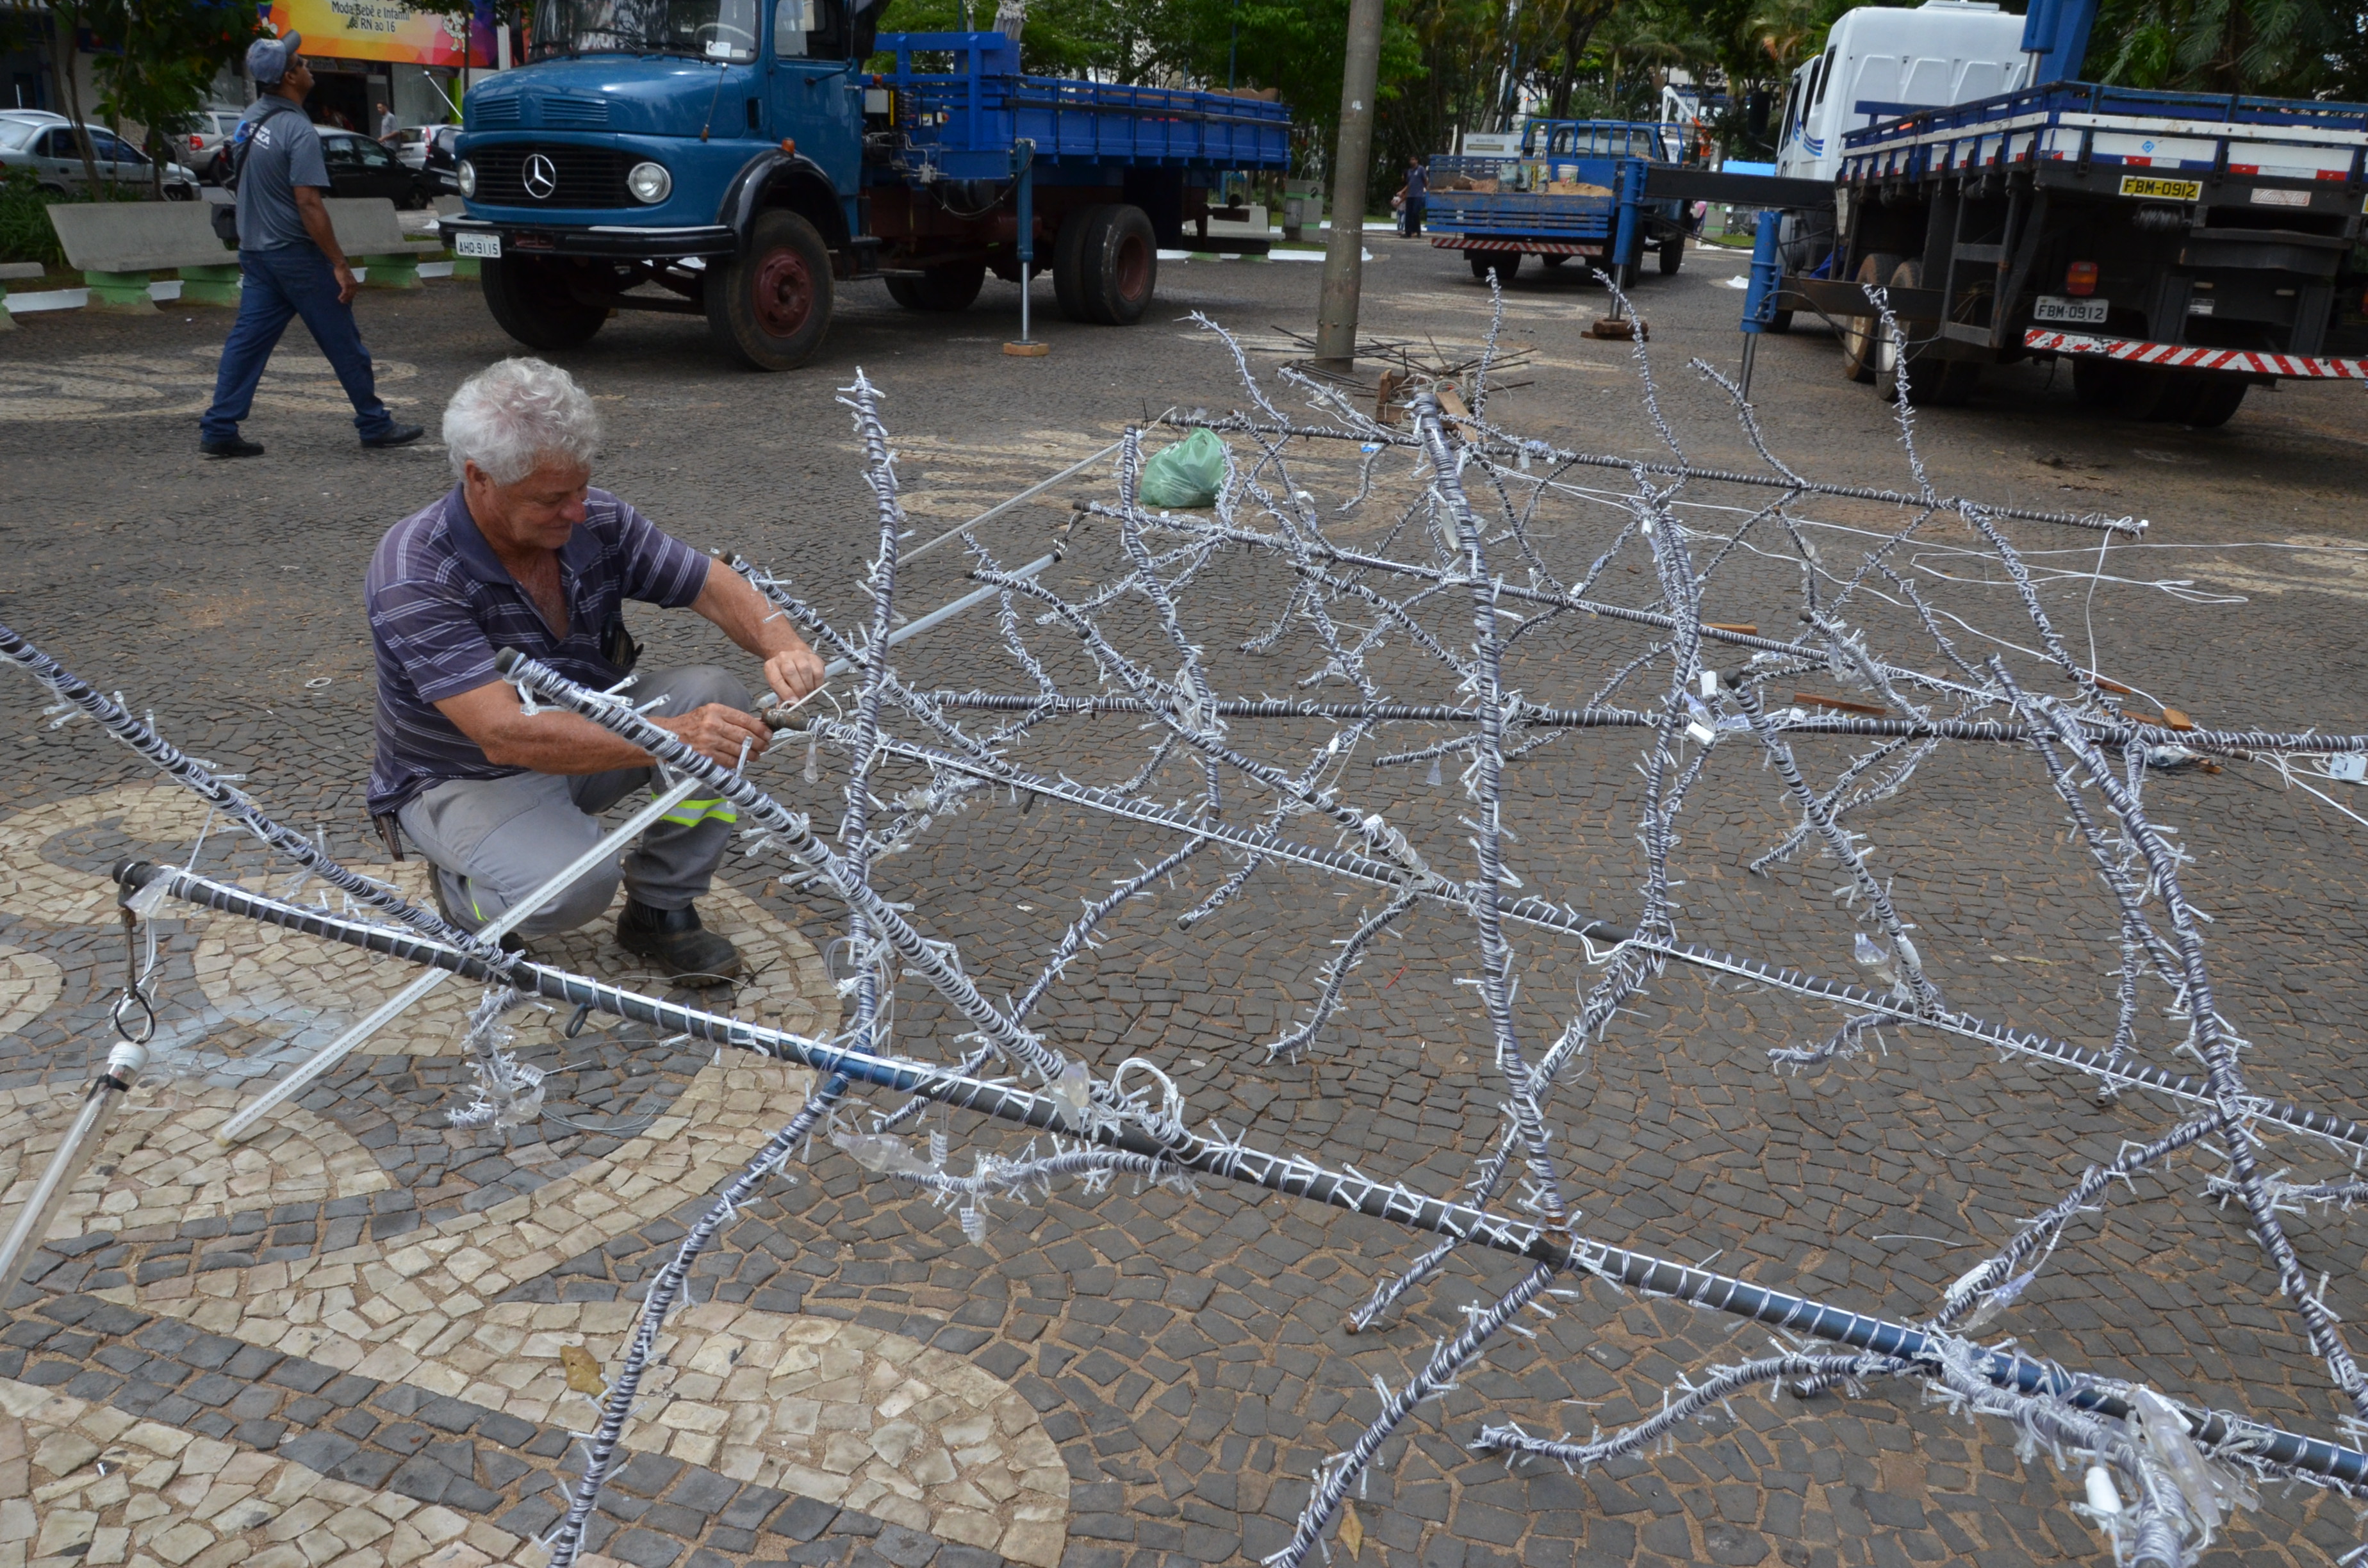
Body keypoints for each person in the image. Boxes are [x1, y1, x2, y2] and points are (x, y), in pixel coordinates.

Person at [366, 358, 828, 983]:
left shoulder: (595, 519)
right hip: (465, 774)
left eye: (582, 489)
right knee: (578, 886)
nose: (578, 511)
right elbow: (502, 732)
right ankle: (465, 899)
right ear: (480, 479)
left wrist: (784, 646)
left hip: (580, 731)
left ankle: (660, 910)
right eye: (553, 499)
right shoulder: (415, 570)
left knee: (719, 700)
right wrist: (675, 737)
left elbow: (712, 585)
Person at [199, 34, 423, 459]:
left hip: (257, 253)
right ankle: (374, 424)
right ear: (288, 77)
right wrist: (339, 263)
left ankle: (219, 426)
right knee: (343, 341)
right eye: (301, 63)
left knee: (246, 344)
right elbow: (308, 202)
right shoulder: (298, 130)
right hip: (296, 255)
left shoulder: (249, 121)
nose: (308, 68)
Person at [1397, 154, 1427, 239]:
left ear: (1417, 161)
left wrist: (1426, 188)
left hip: (1418, 195)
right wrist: (1404, 192)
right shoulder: (1410, 171)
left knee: (1415, 213)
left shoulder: (1421, 169)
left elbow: (1425, 180)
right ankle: (1408, 232)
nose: (1412, 161)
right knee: (1408, 214)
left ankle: (1418, 231)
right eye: (1411, 160)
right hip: (1410, 195)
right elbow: (1409, 184)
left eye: (1414, 159)